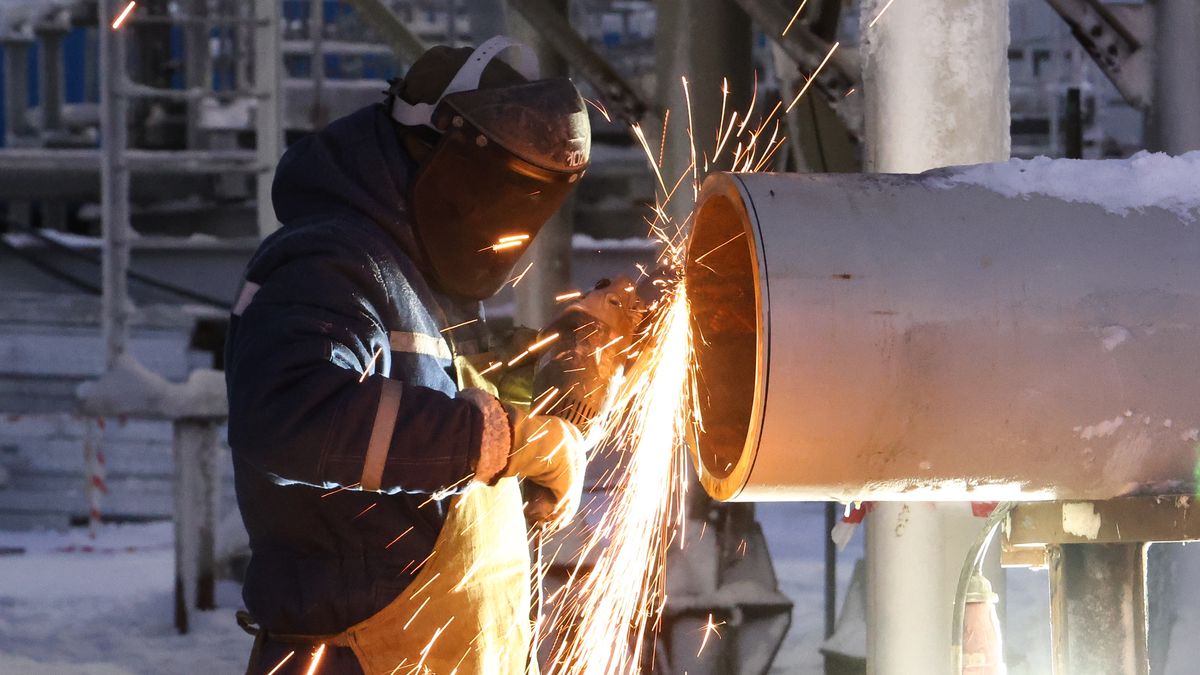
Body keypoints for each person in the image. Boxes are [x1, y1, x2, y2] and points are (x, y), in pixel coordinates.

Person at [225, 37, 594, 674]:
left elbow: (463, 418)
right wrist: (505, 443)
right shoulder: (330, 265)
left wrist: (583, 355)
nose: (493, 218)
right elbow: (287, 416)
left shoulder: (425, 283)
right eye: (489, 190)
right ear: (425, 151)